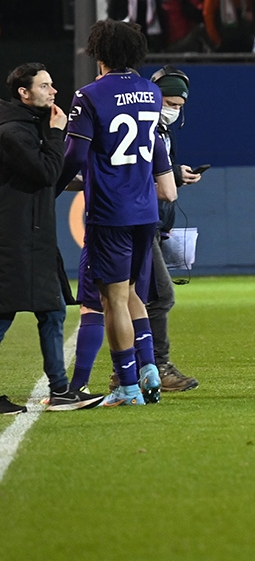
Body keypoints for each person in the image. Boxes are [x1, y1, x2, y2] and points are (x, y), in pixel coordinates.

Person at [59, 21, 178, 406]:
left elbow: (76, 154)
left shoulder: (89, 95)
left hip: (110, 211)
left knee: (110, 300)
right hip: (146, 212)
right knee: (132, 295)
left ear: (100, 54)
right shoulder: (151, 91)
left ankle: (127, 387)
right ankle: (149, 369)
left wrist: (53, 185)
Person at [0, 64, 104, 412]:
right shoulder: (13, 131)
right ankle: (60, 390)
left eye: (52, 83)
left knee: (53, 311)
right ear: (23, 93)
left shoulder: (27, 126)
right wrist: (59, 132)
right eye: (44, 85)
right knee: (6, 316)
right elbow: (46, 172)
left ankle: (61, 390)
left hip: (33, 237)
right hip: (15, 241)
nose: (53, 91)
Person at [145, 67, 203, 391]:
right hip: (139, 223)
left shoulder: (165, 134)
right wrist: (173, 180)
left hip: (154, 224)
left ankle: (131, 369)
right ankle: (157, 366)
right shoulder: (147, 132)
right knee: (161, 295)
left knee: (140, 299)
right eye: (169, 102)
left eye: (179, 105)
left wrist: (176, 174)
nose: (173, 110)